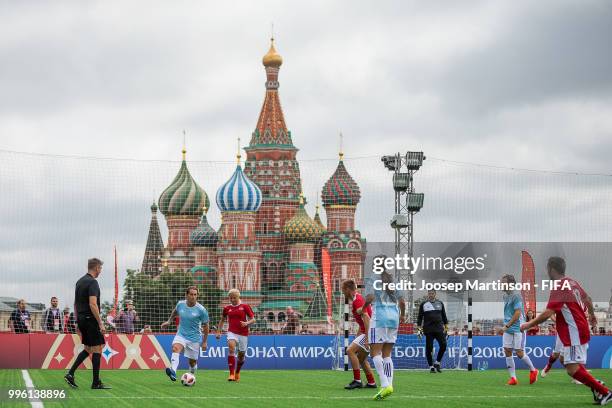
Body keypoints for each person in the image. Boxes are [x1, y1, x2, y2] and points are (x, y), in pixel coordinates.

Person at [521, 257, 611, 405]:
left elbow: (548, 313)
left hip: (574, 331)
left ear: (551, 269)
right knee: (569, 362)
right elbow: (588, 298)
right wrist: (593, 316)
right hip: (579, 328)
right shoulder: (572, 282)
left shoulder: (559, 286)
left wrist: (528, 324)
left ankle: (604, 391)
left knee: (572, 369)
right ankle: (597, 386)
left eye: (547, 268)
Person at [64, 258, 111, 389]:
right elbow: (93, 304)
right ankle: (95, 382)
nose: (100, 271)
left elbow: (75, 303)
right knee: (97, 348)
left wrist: (78, 321)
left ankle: (70, 373)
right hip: (91, 319)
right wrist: (100, 323)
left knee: (89, 348)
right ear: (96, 268)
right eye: (100, 268)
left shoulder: (79, 282)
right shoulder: (93, 282)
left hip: (81, 319)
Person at [360, 269, 405, 401]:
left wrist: (363, 308)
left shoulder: (373, 278)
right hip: (394, 318)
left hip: (380, 318)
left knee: (375, 353)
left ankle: (385, 384)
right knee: (387, 354)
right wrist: (402, 315)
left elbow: (370, 298)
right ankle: (389, 386)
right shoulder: (393, 280)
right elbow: (402, 302)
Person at [161, 286, 209, 381]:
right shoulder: (180, 304)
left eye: (195, 295)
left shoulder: (201, 310)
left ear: (197, 296)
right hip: (181, 334)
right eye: (191, 294)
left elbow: (206, 326)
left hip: (194, 338)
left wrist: (204, 342)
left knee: (192, 363)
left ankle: (192, 372)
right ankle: (173, 371)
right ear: (186, 295)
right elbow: (175, 312)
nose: (193, 296)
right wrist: (169, 321)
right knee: (175, 348)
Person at [499, 274, 538, 386]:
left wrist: (506, 327)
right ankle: (513, 378)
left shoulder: (516, 296)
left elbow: (517, 313)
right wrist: (506, 326)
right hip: (508, 327)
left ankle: (533, 370)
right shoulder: (505, 296)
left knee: (519, 352)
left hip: (518, 328)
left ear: (510, 284)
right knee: (507, 350)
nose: (501, 284)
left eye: (503, 282)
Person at [341, 279, 376, 390]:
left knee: (349, 351)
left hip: (370, 332)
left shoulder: (358, 300)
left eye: (343, 290)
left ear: (348, 289)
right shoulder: (358, 299)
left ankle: (357, 381)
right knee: (361, 359)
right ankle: (371, 382)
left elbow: (366, 318)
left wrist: (366, 338)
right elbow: (362, 322)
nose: (342, 293)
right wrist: (359, 336)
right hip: (367, 331)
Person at [215, 289, 256, 382]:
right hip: (231, 332)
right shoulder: (227, 308)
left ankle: (237, 371)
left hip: (243, 334)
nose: (232, 299)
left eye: (234, 297)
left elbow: (253, 319)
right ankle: (231, 374)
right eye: (231, 298)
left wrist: (246, 323)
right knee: (231, 348)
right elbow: (222, 320)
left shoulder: (245, 306)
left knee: (241, 355)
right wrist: (218, 331)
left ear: (238, 297)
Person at [417, 289, 448, 373]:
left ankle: (437, 363)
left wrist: (446, 328)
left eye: (432, 293)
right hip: (428, 329)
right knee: (429, 348)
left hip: (439, 329)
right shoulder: (423, 304)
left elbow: (444, 316)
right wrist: (419, 329)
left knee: (444, 345)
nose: (431, 295)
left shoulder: (440, 303)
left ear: (435, 294)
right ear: (428, 294)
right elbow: (420, 317)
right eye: (429, 293)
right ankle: (431, 367)